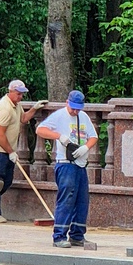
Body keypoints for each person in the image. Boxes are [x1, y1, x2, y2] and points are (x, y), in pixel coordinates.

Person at [35, 90, 98, 248]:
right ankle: (59, 236)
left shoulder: (83, 117)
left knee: (82, 200)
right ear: (67, 103)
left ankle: (77, 235)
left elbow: (93, 136)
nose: (75, 111)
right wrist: (58, 136)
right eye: (73, 108)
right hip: (65, 163)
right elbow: (40, 130)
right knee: (66, 199)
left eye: (78, 108)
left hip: (80, 163)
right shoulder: (59, 116)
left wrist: (86, 147)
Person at [0, 78, 46, 222]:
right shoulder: (4, 108)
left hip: (7, 149)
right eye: (18, 94)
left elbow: (23, 119)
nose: (21, 97)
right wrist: (11, 151)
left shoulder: (16, 105)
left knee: (7, 181)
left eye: (22, 94)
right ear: (10, 92)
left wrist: (35, 108)